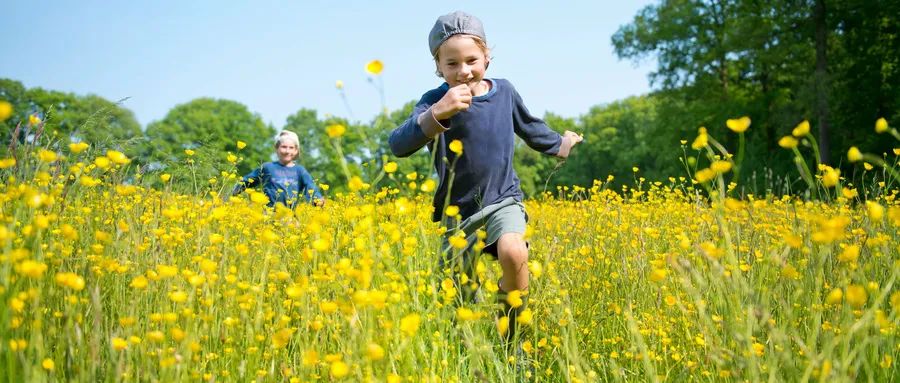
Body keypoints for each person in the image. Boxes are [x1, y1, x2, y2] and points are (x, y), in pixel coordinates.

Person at [388, 10, 583, 357]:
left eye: (472, 60)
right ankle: (466, 358)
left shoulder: (504, 92)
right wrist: (438, 113)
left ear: (487, 56)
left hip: (503, 199)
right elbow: (399, 144)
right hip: (457, 213)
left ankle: (514, 343)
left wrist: (561, 144)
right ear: (438, 67)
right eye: (452, 64)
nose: (463, 70)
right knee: (457, 299)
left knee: (513, 250)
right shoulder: (434, 100)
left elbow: (530, 126)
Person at [230, 130, 324, 208]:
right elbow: (245, 182)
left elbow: (311, 187)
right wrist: (230, 196)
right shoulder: (267, 167)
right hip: (267, 215)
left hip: (289, 218)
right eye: (284, 147)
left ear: (296, 151)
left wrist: (318, 200)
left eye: (291, 148)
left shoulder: (300, 171)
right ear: (276, 148)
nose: (287, 151)